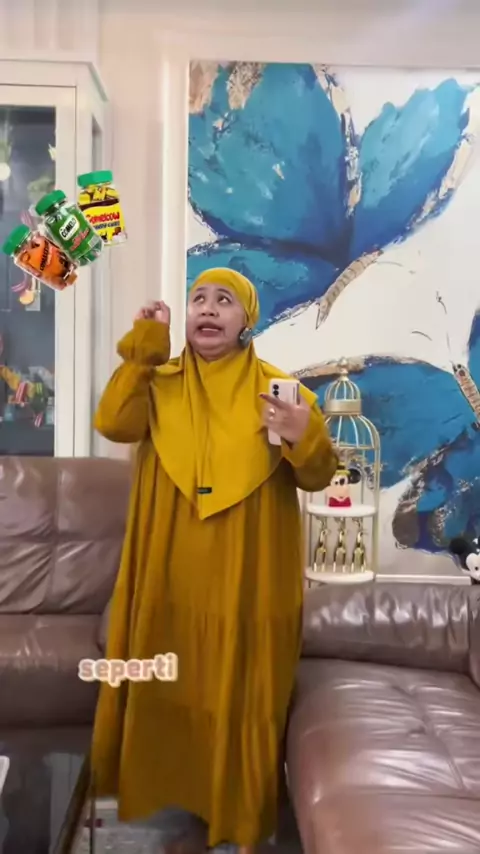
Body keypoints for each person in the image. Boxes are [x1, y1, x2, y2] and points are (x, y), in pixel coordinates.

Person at [91, 268, 338, 854]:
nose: (207, 308)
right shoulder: (159, 384)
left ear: (246, 320)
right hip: (169, 572)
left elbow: (318, 475)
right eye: (198, 299)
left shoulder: (279, 391)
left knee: (241, 692)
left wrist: (303, 433)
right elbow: (113, 423)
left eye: (224, 300)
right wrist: (145, 349)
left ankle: (238, 819)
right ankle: (178, 805)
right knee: (173, 684)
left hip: (248, 577)